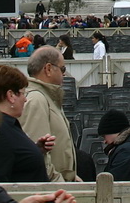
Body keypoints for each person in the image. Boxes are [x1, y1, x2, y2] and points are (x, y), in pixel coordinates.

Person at [0, 65, 49, 183]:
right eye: (23, 93)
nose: (25, 99)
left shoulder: (4, 126)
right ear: (11, 96)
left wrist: (36, 149)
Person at [20, 47, 78, 182]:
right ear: (48, 69)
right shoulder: (36, 100)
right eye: (62, 69)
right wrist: (60, 183)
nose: (64, 74)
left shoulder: (47, 98)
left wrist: (71, 177)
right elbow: (37, 156)